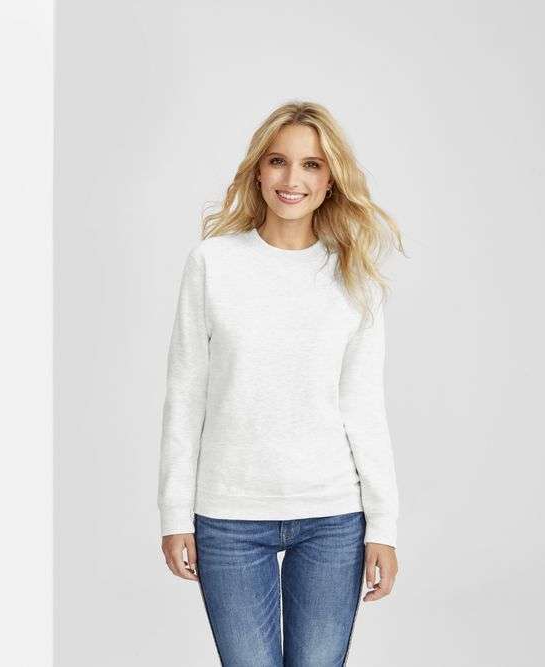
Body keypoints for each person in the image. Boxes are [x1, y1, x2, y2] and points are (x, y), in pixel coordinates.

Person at [157, 100, 406, 666]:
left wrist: (383, 528)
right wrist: (174, 515)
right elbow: (185, 397)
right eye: (278, 161)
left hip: (332, 516)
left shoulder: (354, 276)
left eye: (311, 165)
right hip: (229, 513)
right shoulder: (213, 263)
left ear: (331, 180)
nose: (292, 179)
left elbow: (364, 409)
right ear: (258, 170)